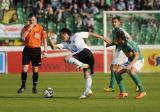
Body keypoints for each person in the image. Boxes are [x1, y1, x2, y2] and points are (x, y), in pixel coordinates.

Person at [49, 28, 110, 99]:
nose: (61, 37)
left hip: (85, 52)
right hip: (87, 57)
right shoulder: (65, 44)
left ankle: (81, 65)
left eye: (61, 35)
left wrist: (103, 38)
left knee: (66, 58)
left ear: (65, 34)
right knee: (87, 74)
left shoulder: (76, 35)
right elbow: (53, 47)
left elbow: (89, 34)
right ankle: (87, 90)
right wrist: (49, 38)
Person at [17, 13, 48, 94]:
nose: (32, 22)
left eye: (33, 20)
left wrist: (45, 51)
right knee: (24, 69)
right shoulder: (25, 27)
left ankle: (34, 87)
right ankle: (23, 86)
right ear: (28, 20)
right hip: (27, 50)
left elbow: (44, 40)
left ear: (36, 20)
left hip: (36, 50)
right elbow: (22, 37)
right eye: (30, 20)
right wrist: (28, 29)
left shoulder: (41, 28)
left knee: (35, 69)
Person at [112, 30, 146, 99]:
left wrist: (130, 65)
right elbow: (112, 42)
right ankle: (123, 92)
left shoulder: (129, 43)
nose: (115, 39)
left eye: (116, 38)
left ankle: (142, 91)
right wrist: (106, 42)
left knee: (131, 71)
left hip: (138, 60)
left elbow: (137, 55)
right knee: (116, 72)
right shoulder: (120, 43)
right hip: (130, 60)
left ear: (120, 38)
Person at [104, 16, 131, 92]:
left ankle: (111, 86)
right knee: (127, 68)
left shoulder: (122, 31)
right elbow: (116, 41)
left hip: (122, 51)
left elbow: (129, 38)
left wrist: (126, 47)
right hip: (119, 50)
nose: (114, 23)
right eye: (112, 22)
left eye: (115, 22)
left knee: (113, 67)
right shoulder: (113, 31)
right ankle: (137, 85)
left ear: (119, 23)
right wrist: (110, 44)